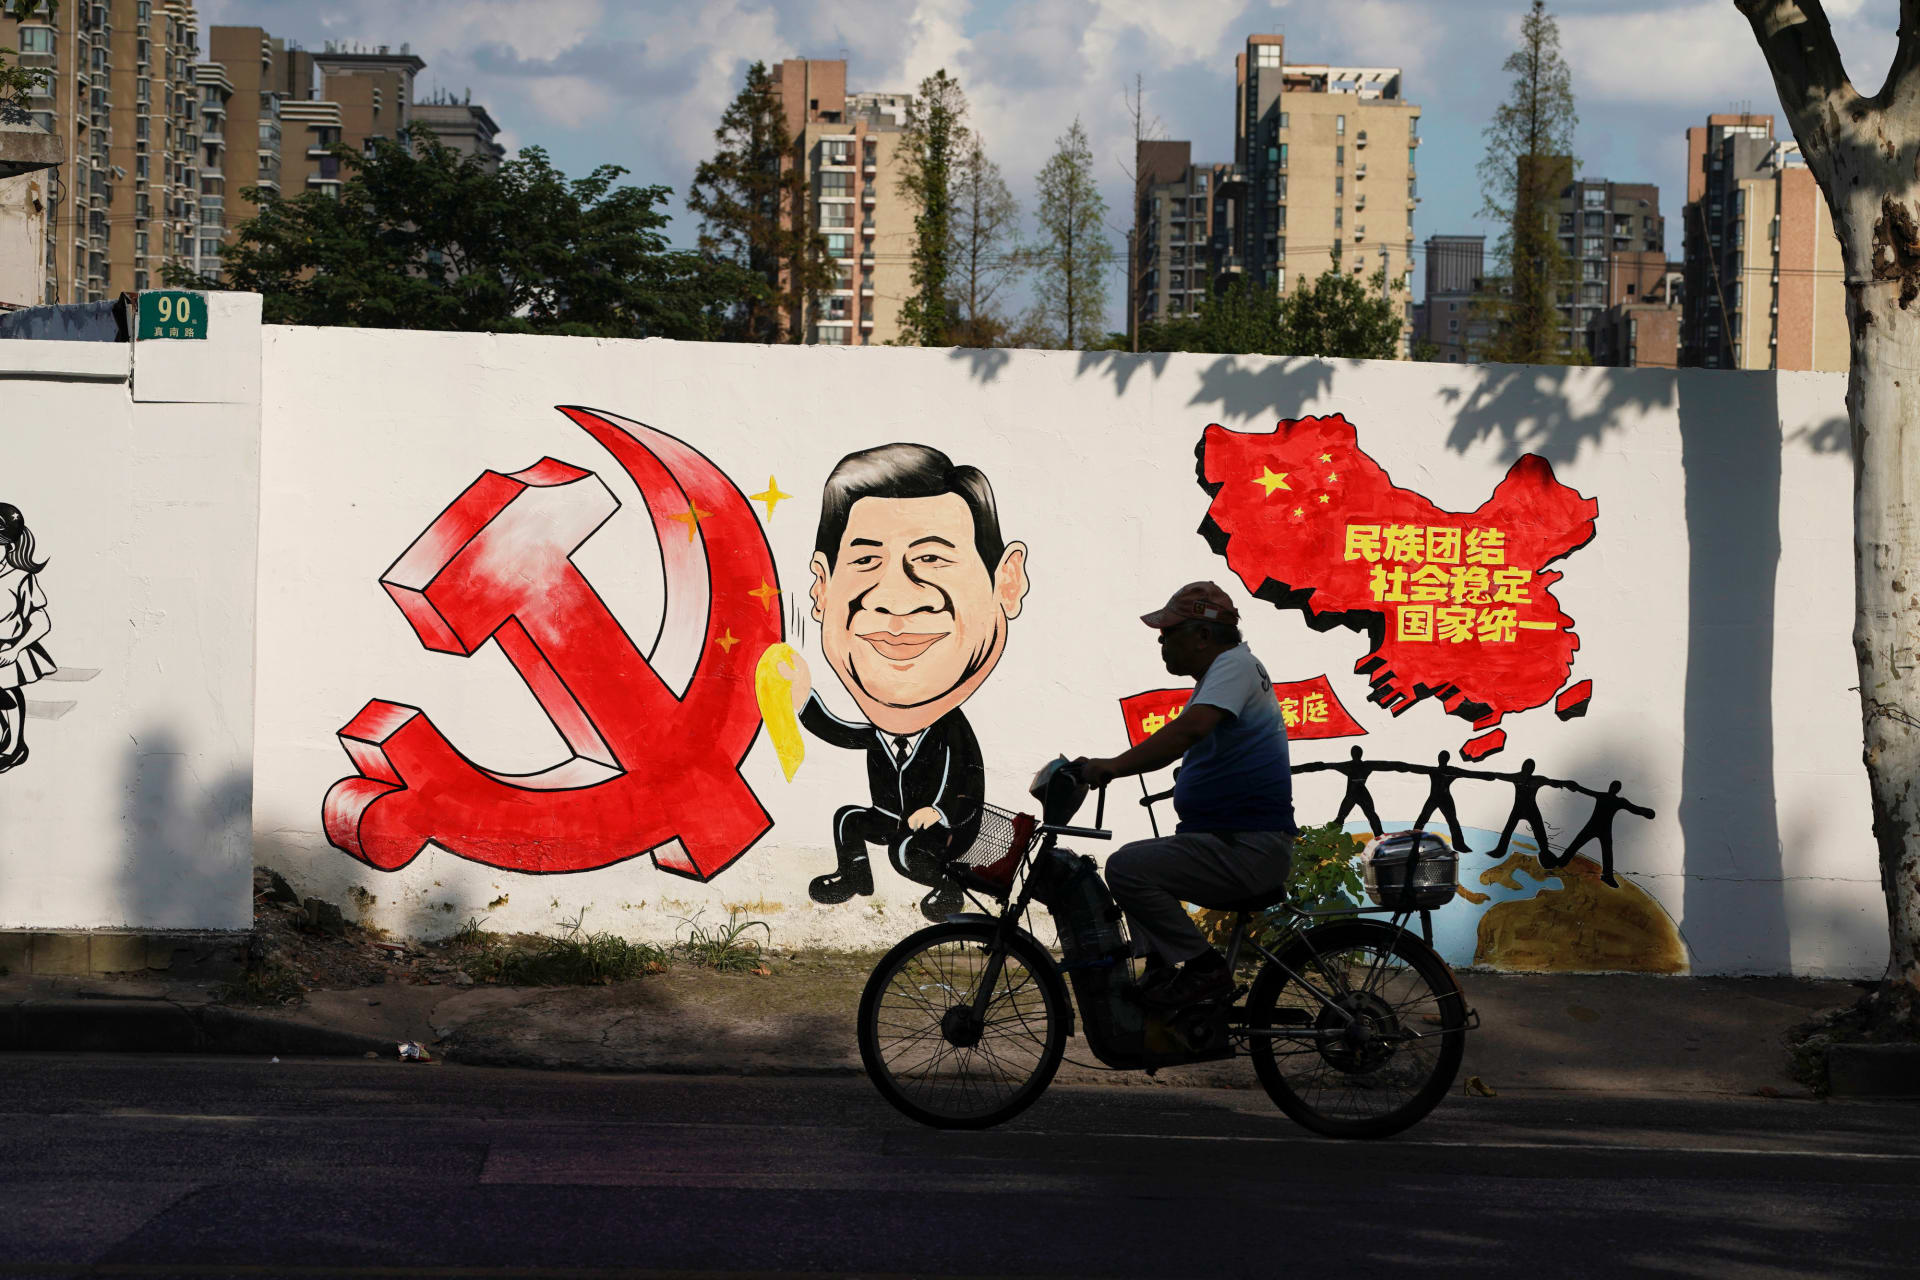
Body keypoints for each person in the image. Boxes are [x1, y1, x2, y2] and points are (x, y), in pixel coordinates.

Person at [782, 443, 1030, 921]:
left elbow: (966, 780)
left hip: (943, 828)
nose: (895, 599)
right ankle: (855, 873)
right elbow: (847, 734)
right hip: (893, 817)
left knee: (908, 853)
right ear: (821, 589)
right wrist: (803, 702)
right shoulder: (885, 731)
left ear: (1007, 583)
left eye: (933, 558)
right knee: (851, 820)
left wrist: (937, 812)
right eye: (866, 560)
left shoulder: (949, 728)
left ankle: (947, 886)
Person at [1077, 582, 1295, 1008]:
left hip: (1246, 846)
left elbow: (1188, 731)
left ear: (1202, 635)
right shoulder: (1226, 673)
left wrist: (1114, 765)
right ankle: (1162, 969)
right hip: (1233, 842)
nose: (1161, 643)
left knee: (1126, 867)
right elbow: (1188, 739)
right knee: (1141, 863)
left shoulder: (1233, 666)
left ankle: (1203, 970)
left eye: (1168, 633)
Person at [0, 502, 55, 773]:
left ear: (8, 546)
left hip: (7, 649)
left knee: (7, 694)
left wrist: (17, 649)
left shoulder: (20, 578)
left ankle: (15, 748)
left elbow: (40, 621)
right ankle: (4, 739)